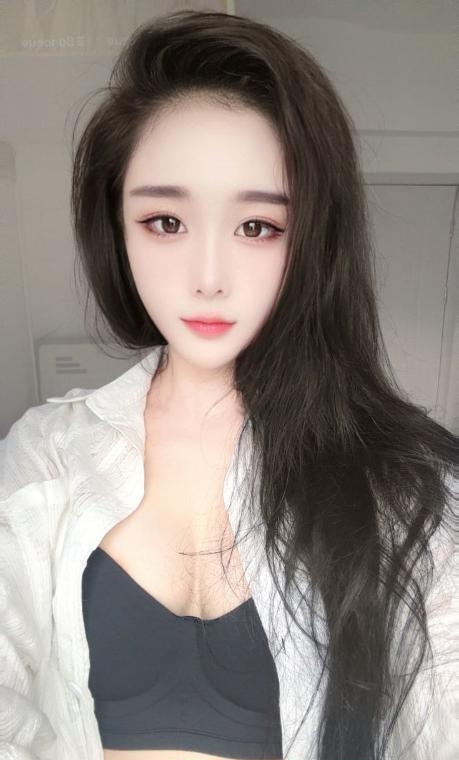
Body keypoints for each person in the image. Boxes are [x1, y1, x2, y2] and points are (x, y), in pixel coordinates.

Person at [0, 8, 457, 760]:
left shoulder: (407, 488)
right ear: (114, 225)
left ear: (312, 242)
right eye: (165, 222)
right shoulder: (47, 454)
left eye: (256, 227)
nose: (207, 278)